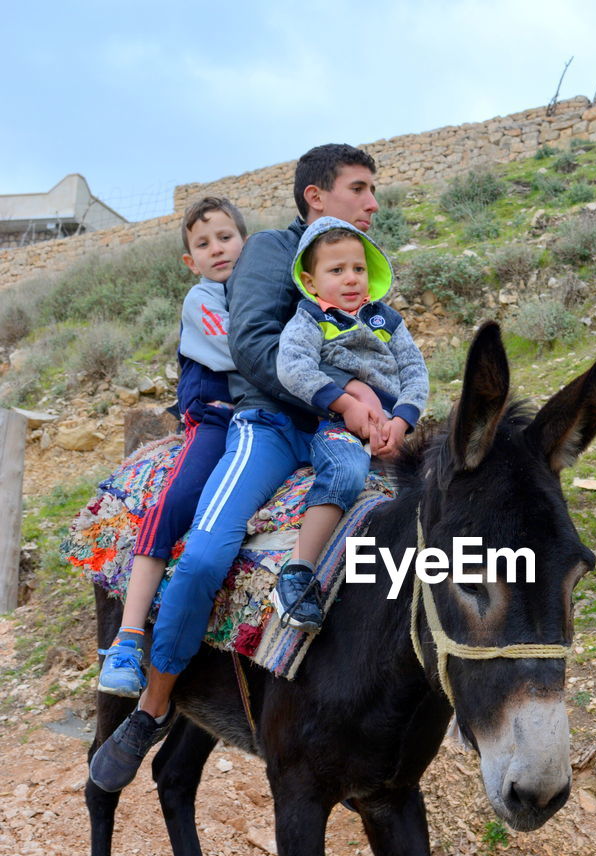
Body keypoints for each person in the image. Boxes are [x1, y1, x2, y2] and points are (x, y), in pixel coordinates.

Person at [89, 144, 379, 793]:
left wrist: (391, 408)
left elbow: (381, 348)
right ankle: (152, 700)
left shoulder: (361, 268)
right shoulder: (268, 255)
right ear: (316, 196)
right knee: (200, 556)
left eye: (372, 191)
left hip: (332, 428)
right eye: (359, 189)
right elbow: (249, 344)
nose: (371, 203)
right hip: (267, 423)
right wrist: (341, 393)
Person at [97, 195, 246, 696]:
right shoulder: (201, 301)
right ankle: (128, 636)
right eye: (203, 244)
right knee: (177, 501)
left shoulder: (263, 295)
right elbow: (238, 351)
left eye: (225, 237)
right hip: (217, 421)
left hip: (264, 422)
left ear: (244, 242)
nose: (217, 249)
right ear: (191, 261)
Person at [271, 216, 427, 631]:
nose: (351, 279)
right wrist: (344, 403)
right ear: (310, 279)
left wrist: (402, 422)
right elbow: (292, 367)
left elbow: (414, 371)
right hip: (338, 424)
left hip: (391, 426)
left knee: (430, 484)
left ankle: (422, 586)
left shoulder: (386, 319)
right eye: (336, 270)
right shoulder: (309, 318)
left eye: (358, 269)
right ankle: (298, 573)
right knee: (346, 470)